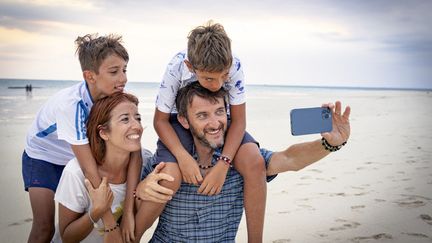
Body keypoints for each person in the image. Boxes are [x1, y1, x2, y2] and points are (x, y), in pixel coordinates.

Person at [140, 82, 351, 242]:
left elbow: (289, 158)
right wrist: (140, 190)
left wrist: (330, 144)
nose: (215, 123)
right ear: (185, 120)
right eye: (202, 115)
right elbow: (126, 203)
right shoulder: (167, 165)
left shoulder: (242, 161)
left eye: (220, 112)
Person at [153, 21, 269, 241]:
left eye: (223, 76)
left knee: (255, 162)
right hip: (179, 121)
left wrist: (224, 163)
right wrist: (182, 156)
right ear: (190, 66)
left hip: (217, 120)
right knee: (169, 177)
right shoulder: (176, 67)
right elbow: (160, 121)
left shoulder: (234, 65)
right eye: (208, 78)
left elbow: (238, 121)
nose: (217, 84)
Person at [22, 34, 141, 242]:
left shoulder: (113, 93)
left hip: (73, 154)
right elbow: (88, 169)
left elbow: (135, 152)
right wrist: (110, 225)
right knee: (44, 228)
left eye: (124, 70)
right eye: (114, 72)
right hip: (42, 156)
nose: (123, 79)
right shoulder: (71, 105)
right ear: (90, 76)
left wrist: (129, 211)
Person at [54, 92, 174, 242]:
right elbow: (67, 237)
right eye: (125, 119)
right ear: (104, 133)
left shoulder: (146, 160)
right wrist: (97, 211)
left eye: (138, 118)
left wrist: (142, 190)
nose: (137, 126)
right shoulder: (76, 173)